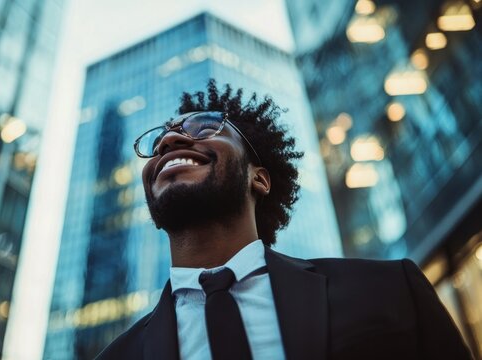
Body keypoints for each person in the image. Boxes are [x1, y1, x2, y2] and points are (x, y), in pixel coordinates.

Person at [96, 80, 472, 360]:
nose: (168, 141)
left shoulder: (390, 291)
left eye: (204, 126)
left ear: (259, 178)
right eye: (160, 139)